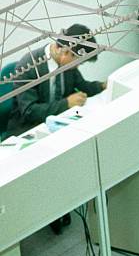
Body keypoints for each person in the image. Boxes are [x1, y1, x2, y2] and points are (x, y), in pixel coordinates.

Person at [6, 23, 106, 234]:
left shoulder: (68, 65)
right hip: (28, 128)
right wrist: (66, 104)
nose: (76, 68)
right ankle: (50, 208)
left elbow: (83, 85)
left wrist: (103, 86)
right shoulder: (30, 64)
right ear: (64, 50)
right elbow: (28, 111)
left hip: (56, 123)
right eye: (76, 61)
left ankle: (67, 197)